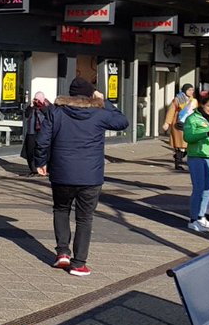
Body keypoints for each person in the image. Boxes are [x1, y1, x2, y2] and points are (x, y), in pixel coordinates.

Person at [34, 77, 129, 277]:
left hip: (61, 172)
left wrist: (40, 162)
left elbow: (42, 139)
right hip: (90, 175)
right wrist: (106, 101)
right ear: (91, 94)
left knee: (61, 210)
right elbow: (122, 122)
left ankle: (62, 253)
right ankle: (78, 264)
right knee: (84, 218)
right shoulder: (99, 113)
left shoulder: (55, 112)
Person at [184, 94, 209, 233]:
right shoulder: (192, 119)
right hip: (196, 156)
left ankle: (201, 216)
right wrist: (207, 133)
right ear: (202, 105)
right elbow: (188, 137)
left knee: (208, 188)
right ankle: (193, 220)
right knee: (198, 188)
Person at [162, 84, 197, 171]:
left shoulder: (194, 101)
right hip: (179, 124)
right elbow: (171, 111)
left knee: (188, 145)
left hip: (189, 124)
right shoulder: (177, 100)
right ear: (185, 90)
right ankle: (178, 163)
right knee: (180, 145)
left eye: (192, 90)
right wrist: (167, 123)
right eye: (189, 90)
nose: (191, 92)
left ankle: (178, 157)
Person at [20, 92, 50, 177]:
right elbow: (26, 114)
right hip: (32, 132)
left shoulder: (47, 106)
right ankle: (33, 169)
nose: (36, 101)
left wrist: (41, 106)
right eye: (35, 99)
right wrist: (31, 106)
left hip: (42, 132)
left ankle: (43, 168)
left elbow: (48, 114)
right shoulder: (32, 107)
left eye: (37, 99)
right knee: (30, 151)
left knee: (42, 150)